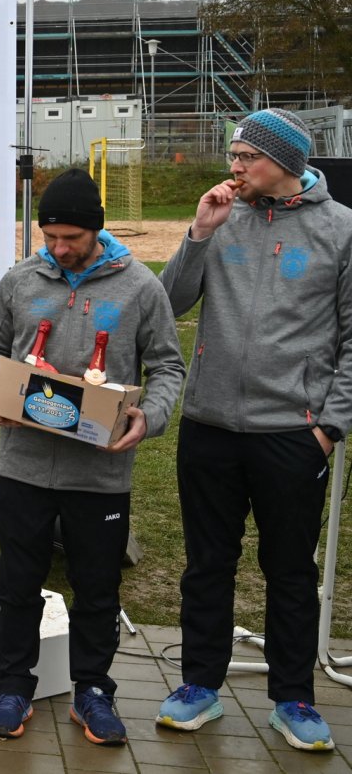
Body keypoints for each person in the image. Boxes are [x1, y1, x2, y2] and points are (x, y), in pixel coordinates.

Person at [157, 108, 352, 752]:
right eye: (233, 155)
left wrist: (329, 426)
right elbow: (169, 304)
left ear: (286, 162)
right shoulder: (223, 217)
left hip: (293, 433)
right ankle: (198, 685)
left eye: (247, 157)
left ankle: (294, 697)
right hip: (209, 424)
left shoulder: (341, 229)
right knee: (207, 564)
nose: (234, 167)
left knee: (290, 569)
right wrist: (198, 233)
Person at [0, 168, 184, 746]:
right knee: (18, 580)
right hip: (24, 465)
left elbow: (168, 365)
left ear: (97, 230)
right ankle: (13, 684)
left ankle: (93, 690)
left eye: (71, 238)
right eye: (50, 238)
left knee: (97, 586)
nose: (60, 249)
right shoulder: (21, 279)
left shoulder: (140, 286)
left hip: (100, 474)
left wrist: (149, 416)